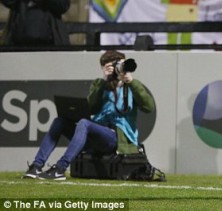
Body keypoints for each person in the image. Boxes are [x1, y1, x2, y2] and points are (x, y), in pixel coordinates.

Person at [23, 50, 156, 180]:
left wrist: (130, 82)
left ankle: (60, 168)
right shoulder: (99, 84)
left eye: (116, 66)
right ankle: (36, 166)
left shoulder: (131, 86)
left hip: (116, 139)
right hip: (95, 135)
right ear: (103, 69)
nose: (114, 70)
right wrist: (104, 82)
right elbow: (91, 108)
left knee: (84, 123)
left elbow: (148, 107)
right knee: (60, 121)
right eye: (108, 67)